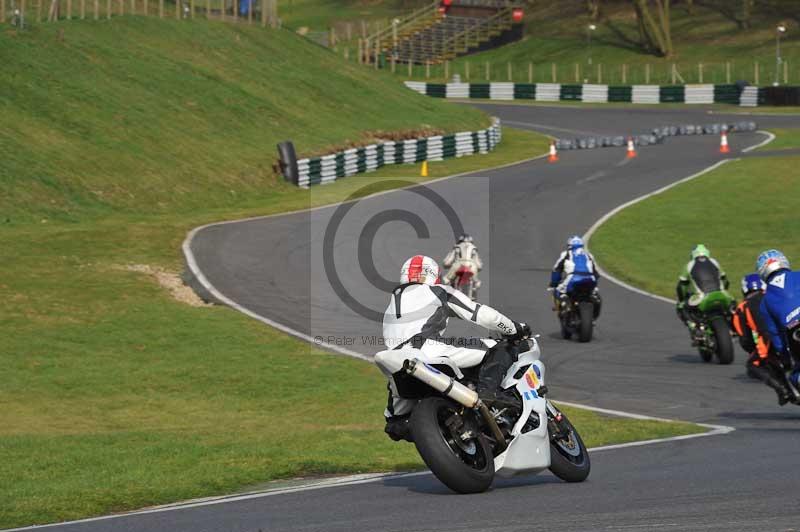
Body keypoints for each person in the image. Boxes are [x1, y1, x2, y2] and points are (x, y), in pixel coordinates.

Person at [375, 255, 531, 442]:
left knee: (395, 423)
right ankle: (488, 396)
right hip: (428, 349)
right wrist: (515, 328)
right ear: (432, 275)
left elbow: (393, 429)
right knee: (498, 347)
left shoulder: (389, 310)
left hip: (399, 365)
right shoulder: (437, 291)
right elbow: (480, 314)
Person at [732, 273, 791, 404]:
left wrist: (751, 348)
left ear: (744, 289)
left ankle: (782, 389)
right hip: (789, 331)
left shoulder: (742, 307)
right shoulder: (773, 296)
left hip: (768, 338)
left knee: (753, 365)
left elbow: (744, 336)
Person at [757, 250, 800, 393]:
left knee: (795, 374)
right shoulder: (798, 275)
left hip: (794, 332)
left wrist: (785, 358)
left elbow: (776, 335)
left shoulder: (765, 302)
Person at [675, 244, 731, 329]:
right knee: (733, 307)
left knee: (682, 307)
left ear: (693, 254)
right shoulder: (714, 262)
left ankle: (694, 327)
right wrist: (724, 291)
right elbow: (725, 280)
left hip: (702, 297)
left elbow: (681, 286)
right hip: (721, 294)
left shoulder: (689, 265)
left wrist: (682, 299)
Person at [549, 236, 601, 316]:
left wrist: (554, 283)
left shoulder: (565, 254)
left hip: (573, 277)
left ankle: (564, 306)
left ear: (569, 246)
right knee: (596, 296)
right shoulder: (589, 255)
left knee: (557, 291)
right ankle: (593, 317)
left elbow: (556, 269)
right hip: (590, 278)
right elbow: (596, 273)